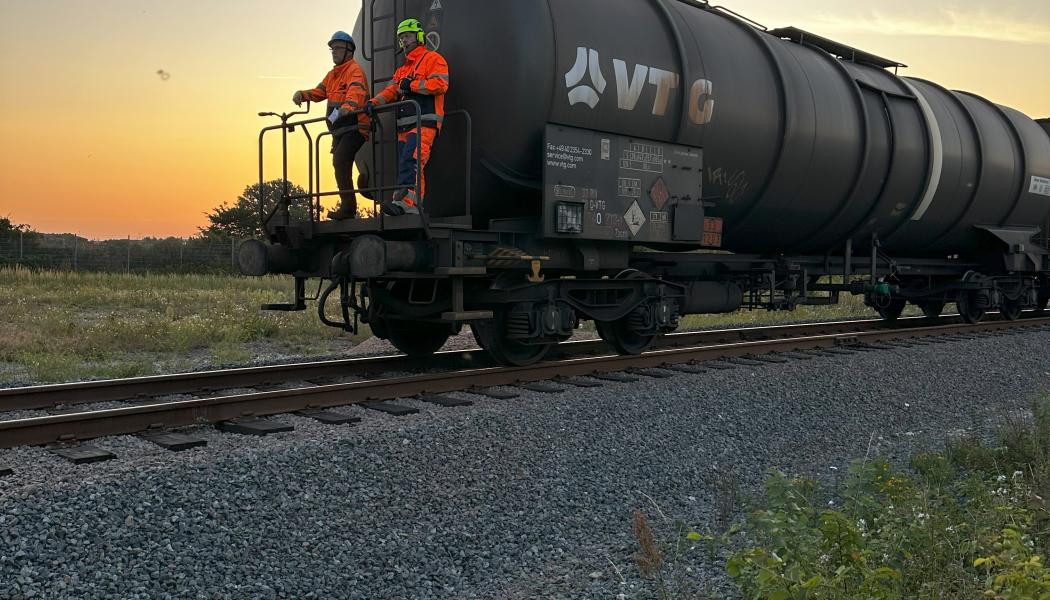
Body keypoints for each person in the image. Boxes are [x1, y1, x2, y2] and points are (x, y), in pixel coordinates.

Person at [365, 18, 449, 216]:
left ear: (419, 36)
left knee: (412, 161)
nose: (404, 41)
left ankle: (408, 204)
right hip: (404, 126)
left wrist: (411, 85)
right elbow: (392, 90)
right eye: (401, 38)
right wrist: (374, 103)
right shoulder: (402, 69)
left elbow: (440, 84)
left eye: (408, 36)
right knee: (408, 164)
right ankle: (406, 204)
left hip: (424, 122)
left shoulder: (433, 59)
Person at [292, 31, 370, 220]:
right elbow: (320, 92)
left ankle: (348, 208)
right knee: (339, 165)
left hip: (356, 127)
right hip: (340, 130)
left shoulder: (354, 71)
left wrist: (347, 107)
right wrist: (302, 94)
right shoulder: (332, 75)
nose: (334, 52)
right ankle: (348, 206)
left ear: (349, 51)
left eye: (338, 48)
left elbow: (356, 93)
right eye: (332, 48)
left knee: (340, 160)